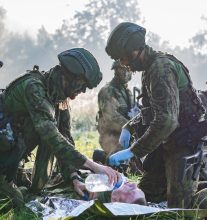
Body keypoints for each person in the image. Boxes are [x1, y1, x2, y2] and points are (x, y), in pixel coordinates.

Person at [105, 22, 207, 208]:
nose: (124, 63)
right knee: (146, 197)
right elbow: (153, 111)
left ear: (136, 50)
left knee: (181, 208)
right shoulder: (149, 69)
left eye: (124, 58)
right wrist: (129, 127)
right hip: (166, 142)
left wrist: (134, 151)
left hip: (184, 143)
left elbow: (166, 120)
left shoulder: (160, 68)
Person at [0, 48, 119, 208]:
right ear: (68, 77)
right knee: (18, 204)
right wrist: (93, 165)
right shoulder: (34, 88)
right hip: (4, 159)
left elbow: (65, 140)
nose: (81, 91)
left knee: (33, 197)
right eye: (81, 85)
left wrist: (74, 178)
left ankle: (30, 186)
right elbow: (51, 136)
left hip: (11, 162)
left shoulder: (59, 101)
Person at [96, 60, 133, 157]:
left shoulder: (127, 91)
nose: (126, 72)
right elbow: (111, 117)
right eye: (122, 69)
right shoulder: (108, 91)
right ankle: (100, 157)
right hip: (111, 137)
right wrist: (132, 126)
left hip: (126, 135)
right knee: (118, 165)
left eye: (128, 69)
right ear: (116, 70)